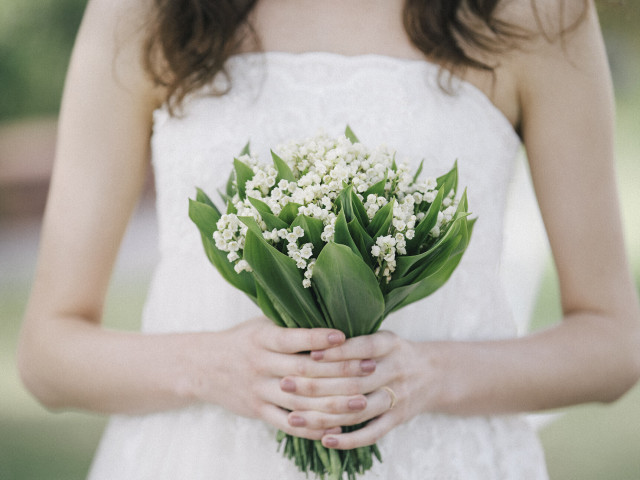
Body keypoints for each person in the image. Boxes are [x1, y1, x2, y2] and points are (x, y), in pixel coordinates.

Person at [18, 0, 640, 478]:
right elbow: (48, 354)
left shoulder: (534, 14)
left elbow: (613, 343)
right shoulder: (147, 12)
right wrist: (213, 367)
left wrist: (435, 375)